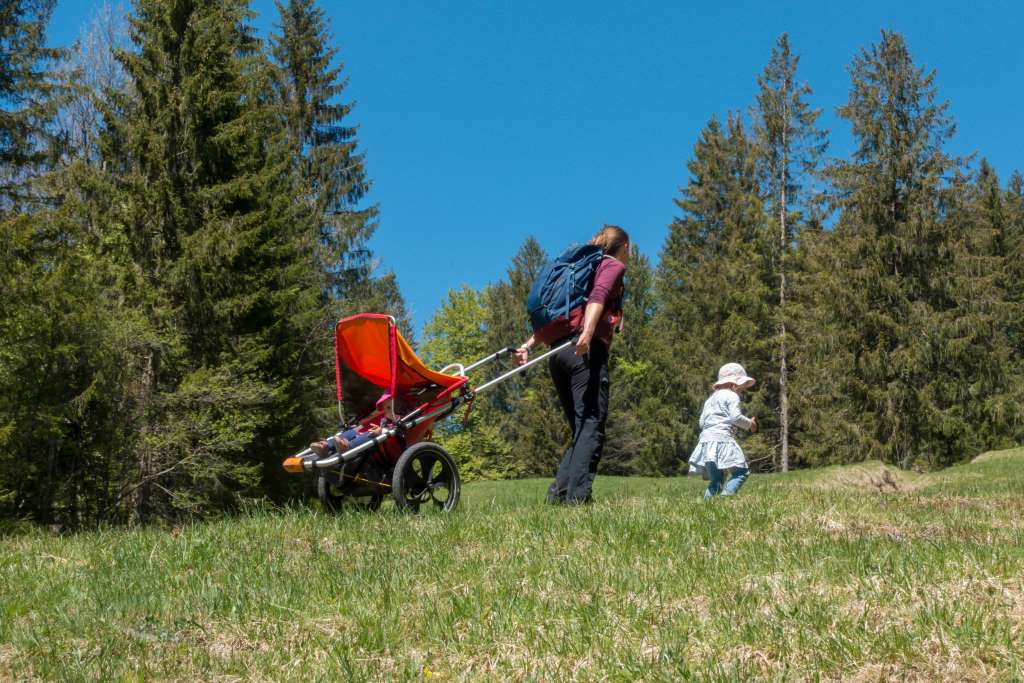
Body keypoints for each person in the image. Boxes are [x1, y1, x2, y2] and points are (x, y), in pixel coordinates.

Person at [513, 225, 630, 504]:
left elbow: (562, 314)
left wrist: (528, 346)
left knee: (581, 428)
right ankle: (578, 499)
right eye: (630, 246)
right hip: (584, 353)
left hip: (558, 353)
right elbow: (598, 296)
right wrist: (588, 334)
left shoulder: (583, 269)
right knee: (591, 424)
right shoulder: (610, 266)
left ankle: (558, 497)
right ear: (624, 246)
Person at [688, 363, 758, 499]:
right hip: (722, 440)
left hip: (706, 442)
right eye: (741, 389)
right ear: (734, 385)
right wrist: (751, 424)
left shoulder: (710, 400)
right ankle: (725, 499)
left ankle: (706, 507)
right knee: (741, 472)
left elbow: (702, 423)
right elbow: (735, 417)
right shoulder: (732, 396)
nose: (741, 392)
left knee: (717, 480)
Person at [309, 392, 397, 458]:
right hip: (363, 434)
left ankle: (347, 447)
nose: (390, 411)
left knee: (369, 435)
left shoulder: (397, 421)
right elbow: (364, 426)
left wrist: (380, 431)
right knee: (350, 432)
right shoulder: (384, 418)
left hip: (377, 438)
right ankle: (326, 446)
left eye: (392, 408)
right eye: (387, 408)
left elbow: (392, 430)